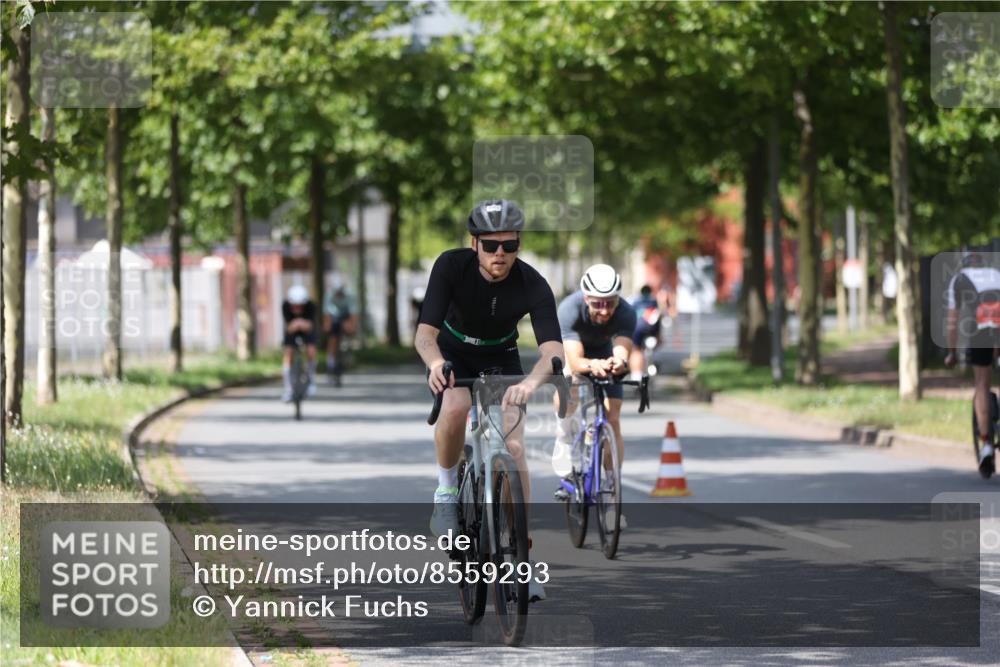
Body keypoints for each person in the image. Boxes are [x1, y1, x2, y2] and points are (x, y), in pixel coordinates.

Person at [414, 199, 564, 601]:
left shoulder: (532, 283)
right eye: (492, 245)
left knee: (514, 449)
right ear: (474, 242)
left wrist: (531, 385)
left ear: (519, 244)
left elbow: (553, 351)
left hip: (501, 357)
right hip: (453, 354)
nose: (501, 254)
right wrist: (435, 364)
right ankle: (446, 492)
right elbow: (424, 334)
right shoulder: (450, 266)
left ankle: (520, 558)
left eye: (510, 246)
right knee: (457, 405)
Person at [552, 265, 636, 526]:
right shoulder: (569, 309)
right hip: (576, 355)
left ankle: (612, 494)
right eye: (598, 303)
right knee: (569, 385)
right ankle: (564, 437)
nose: (604, 310)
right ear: (585, 297)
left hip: (605, 354)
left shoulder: (626, 313)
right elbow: (575, 361)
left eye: (610, 303)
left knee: (613, 418)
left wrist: (619, 363)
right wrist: (591, 366)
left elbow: (622, 350)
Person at [944, 251, 1000, 476]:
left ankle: (986, 443)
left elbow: (952, 321)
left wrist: (951, 352)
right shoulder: (996, 273)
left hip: (983, 328)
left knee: (981, 385)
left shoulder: (958, 279)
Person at [281, 285, 318, 402]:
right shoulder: (285, 306)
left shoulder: (311, 306)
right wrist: (298, 324)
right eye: (295, 306)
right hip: (292, 331)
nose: (297, 309)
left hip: (307, 331)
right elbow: (289, 327)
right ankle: (288, 388)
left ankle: (311, 379)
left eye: (300, 306)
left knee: (311, 350)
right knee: (288, 354)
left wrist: (300, 324)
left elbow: (310, 325)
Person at [323, 280, 358, 377]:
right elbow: (326, 314)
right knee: (333, 338)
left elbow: (354, 314)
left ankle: (348, 351)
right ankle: (330, 363)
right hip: (334, 316)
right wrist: (327, 326)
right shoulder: (329, 296)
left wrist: (352, 327)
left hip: (345, 315)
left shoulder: (350, 296)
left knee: (349, 329)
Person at [628, 284, 661, 379]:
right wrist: (658, 335)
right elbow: (658, 318)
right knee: (653, 348)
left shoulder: (634, 301)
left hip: (636, 329)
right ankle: (652, 364)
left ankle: (636, 376)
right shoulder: (654, 301)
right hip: (651, 329)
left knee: (636, 351)